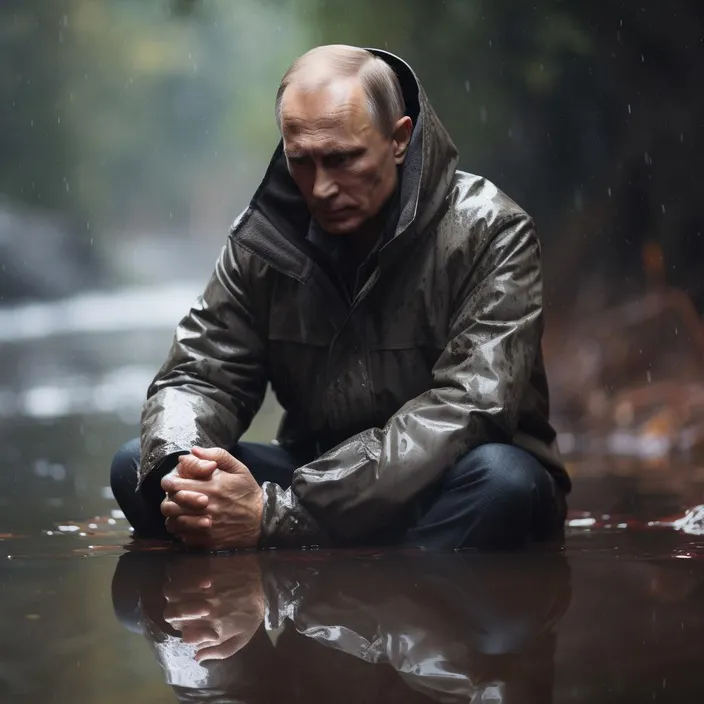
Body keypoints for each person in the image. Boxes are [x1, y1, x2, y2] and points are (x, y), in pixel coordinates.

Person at [110, 45, 570, 551]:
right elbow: (200, 373)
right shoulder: (263, 243)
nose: (321, 187)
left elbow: (469, 409)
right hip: (320, 474)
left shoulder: (492, 232)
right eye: (301, 163)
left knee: (504, 484)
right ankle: (366, 564)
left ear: (400, 139)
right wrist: (190, 467)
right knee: (142, 465)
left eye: (342, 159)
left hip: (449, 478)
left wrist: (276, 514)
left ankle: (334, 562)